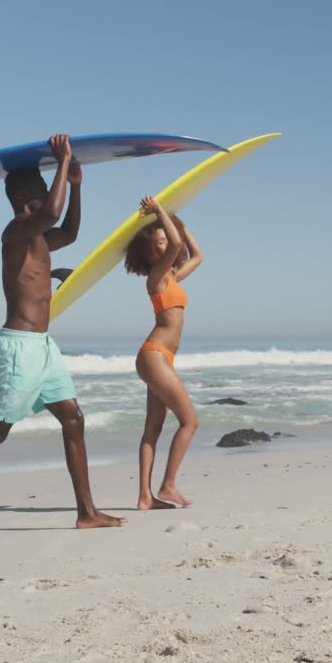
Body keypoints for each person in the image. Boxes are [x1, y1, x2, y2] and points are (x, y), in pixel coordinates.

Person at [0, 134, 125, 539]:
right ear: (24, 197)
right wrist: (63, 162)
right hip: (19, 348)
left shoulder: (39, 238)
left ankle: (87, 511)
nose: (46, 194)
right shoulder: (15, 233)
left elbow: (69, 231)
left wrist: (75, 186)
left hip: (43, 346)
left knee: (73, 419)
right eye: (42, 188)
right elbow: (53, 215)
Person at [122, 196, 203, 510]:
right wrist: (159, 212)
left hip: (160, 357)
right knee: (190, 422)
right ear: (147, 252)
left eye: (163, 241)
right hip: (154, 355)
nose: (163, 246)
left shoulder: (171, 277)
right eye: (156, 243)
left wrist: (179, 223)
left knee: (152, 429)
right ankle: (168, 486)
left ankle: (145, 497)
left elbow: (196, 254)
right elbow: (176, 244)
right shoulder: (155, 278)